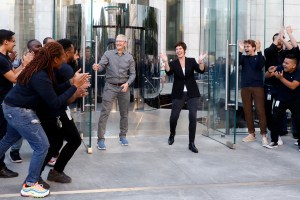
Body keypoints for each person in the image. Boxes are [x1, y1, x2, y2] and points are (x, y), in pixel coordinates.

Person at [0, 42, 87, 198]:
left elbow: (51, 92)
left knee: (7, 140)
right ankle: (30, 185)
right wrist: (74, 87)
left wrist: (71, 84)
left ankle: (32, 182)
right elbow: (54, 102)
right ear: (55, 59)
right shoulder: (40, 75)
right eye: (62, 57)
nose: (65, 60)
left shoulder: (42, 71)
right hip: (19, 111)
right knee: (42, 145)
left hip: (12, 108)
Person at [38, 39, 89, 187]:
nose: (74, 55)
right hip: (55, 112)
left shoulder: (51, 69)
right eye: (73, 52)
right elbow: (61, 97)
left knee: (55, 143)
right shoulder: (63, 69)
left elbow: (58, 92)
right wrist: (76, 89)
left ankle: (43, 174)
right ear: (63, 54)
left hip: (52, 111)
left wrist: (75, 89)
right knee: (70, 141)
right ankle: (40, 176)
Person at [159, 41, 206, 153]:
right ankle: (172, 133)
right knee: (174, 116)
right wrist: (165, 61)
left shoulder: (191, 61)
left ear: (184, 50)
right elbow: (169, 72)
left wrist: (201, 61)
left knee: (193, 117)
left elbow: (201, 70)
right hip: (178, 92)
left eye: (180, 48)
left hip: (192, 93)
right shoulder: (174, 63)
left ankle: (191, 143)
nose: (178, 51)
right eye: (177, 49)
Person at [92, 34, 136, 150]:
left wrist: (128, 83)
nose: (118, 43)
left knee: (124, 113)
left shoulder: (129, 57)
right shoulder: (108, 54)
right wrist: (97, 66)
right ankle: (100, 139)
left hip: (124, 88)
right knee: (104, 112)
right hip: (110, 87)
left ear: (125, 43)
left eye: (121, 41)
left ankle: (123, 136)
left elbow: (133, 74)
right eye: (117, 41)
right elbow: (101, 65)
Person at [0, 29, 32, 178]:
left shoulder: (5, 58)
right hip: (1, 101)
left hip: (5, 100)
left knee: (4, 133)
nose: (14, 43)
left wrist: (23, 66)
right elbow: (13, 78)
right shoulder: (0, 59)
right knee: (1, 134)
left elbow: (14, 72)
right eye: (12, 41)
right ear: (5, 41)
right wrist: (25, 66)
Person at [9, 39, 42, 163]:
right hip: (23, 100)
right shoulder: (24, 61)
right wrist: (25, 64)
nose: (39, 48)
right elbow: (15, 78)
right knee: (18, 127)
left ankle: (40, 148)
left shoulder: (42, 61)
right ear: (30, 49)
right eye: (36, 46)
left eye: (41, 46)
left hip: (37, 98)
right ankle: (14, 150)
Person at [265, 54, 300, 150]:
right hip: (281, 98)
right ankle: (274, 141)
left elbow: (293, 86)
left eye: (287, 63)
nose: (284, 64)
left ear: (294, 65)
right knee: (275, 117)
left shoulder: (298, 72)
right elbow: (267, 76)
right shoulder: (280, 67)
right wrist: (269, 71)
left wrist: (281, 78)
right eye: (284, 62)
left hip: (295, 99)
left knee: (298, 119)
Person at [238, 39, 268, 146]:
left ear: (253, 47)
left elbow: (261, 64)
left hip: (257, 87)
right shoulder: (244, 58)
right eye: (245, 47)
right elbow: (237, 62)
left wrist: (259, 51)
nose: (246, 48)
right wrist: (240, 51)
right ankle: (251, 134)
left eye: (248, 47)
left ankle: (264, 135)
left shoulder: (258, 56)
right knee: (247, 111)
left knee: (260, 111)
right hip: (245, 87)